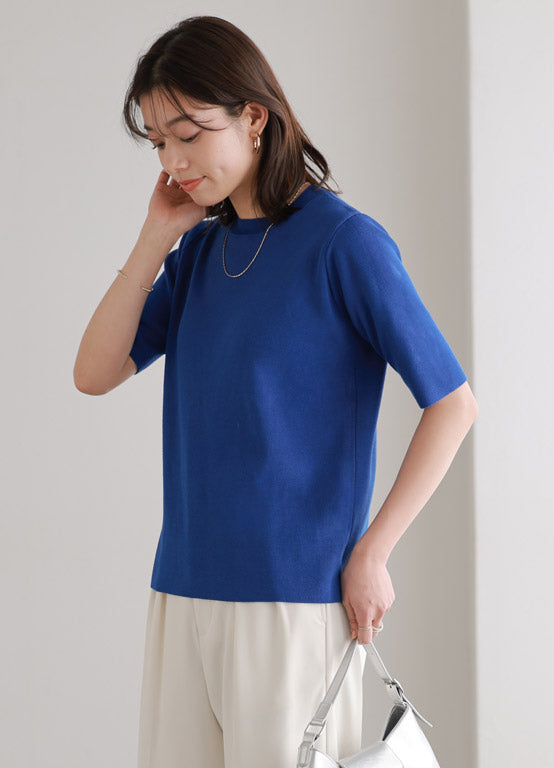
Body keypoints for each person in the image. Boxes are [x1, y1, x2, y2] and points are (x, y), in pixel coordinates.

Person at [73, 14, 478, 768]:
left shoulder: (344, 242)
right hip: (182, 590)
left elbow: (452, 403)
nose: (173, 159)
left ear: (253, 118)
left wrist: (373, 552)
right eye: (158, 142)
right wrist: (155, 239)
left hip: (294, 601)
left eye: (189, 133)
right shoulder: (198, 253)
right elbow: (93, 373)